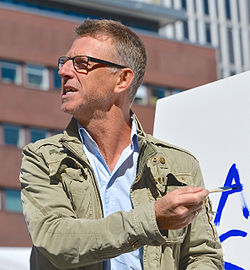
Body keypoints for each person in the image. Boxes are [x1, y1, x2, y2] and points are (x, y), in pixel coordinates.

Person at [20, 19, 224, 270]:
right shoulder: (41, 158)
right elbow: (56, 240)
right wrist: (154, 217)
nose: (64, 71)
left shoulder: (180, 165)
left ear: (122, 80)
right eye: (65, 62)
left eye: (81, 63)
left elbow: (203, 255)